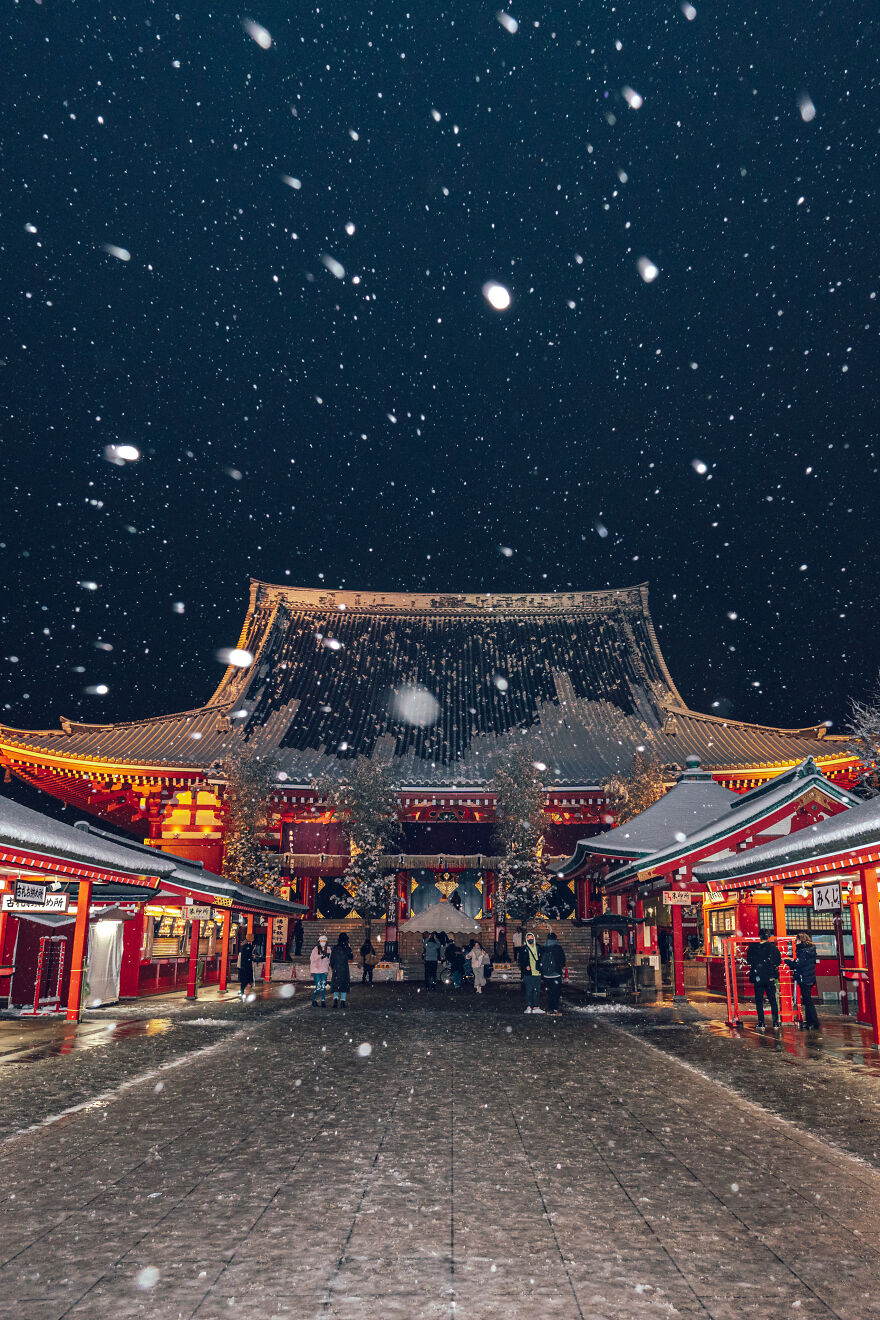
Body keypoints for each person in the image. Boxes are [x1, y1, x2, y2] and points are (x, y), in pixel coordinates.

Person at [746, 930, 781, 1030]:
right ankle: (775, 1022)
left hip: (758, 977)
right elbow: (778, 961)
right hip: (769, 977)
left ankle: (761, 1022)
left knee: (759, 1000)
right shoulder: (772, 948)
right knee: (772, 1000)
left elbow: (749, 960)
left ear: (759, 936)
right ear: (769, 937)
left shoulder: (753, 947)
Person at [786, 931, 820, 1030]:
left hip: (804, 977)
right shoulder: (809, 950)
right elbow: (802, 962)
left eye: (796, 940)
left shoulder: (803, 951)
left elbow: (797, 964)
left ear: (800, 940)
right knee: (807, 1000)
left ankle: (813, 1022)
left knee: (808, 1001)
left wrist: (787, 961)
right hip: (809, 977)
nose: (795, 942)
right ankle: (811, 1021)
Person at [539, 930, 566, 1015]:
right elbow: (563, 961)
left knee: (549, 993)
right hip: (556, 974)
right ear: (555, 939)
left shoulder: (543, 948)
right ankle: (555, 1009)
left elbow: (540, 960)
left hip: (546, 975)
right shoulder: (558, 948)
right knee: (556, 993)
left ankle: (550, 1009)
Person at [520, 932, 543, 1013]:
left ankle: (536, 1007)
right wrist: (525, 966)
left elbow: (542, 958)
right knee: (529, 990)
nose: (530, 939)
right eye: (528, 938)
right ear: (526, 939)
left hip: (537, 972)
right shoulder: (524, 949)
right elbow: (520, 961)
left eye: (531, 938)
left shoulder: (538, 947)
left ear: (534, 938)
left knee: (537, 990)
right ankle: (529, 1006)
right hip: (528, 973)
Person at [330, 932, 353, 1009]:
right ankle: (342, 1002)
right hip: (344, 969)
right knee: (344, 985)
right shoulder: (347, 948)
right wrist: (349, 948)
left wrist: (334, 967)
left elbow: (332, 959)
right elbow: (351, 957)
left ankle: (335, 1001)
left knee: (336, 985)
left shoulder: (335, 948)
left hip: (337, 969)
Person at [310, 933, 331, 1007]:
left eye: (324, 941)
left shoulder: (328, 949)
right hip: (316, 970)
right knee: (318, 986)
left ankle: (323, 1001)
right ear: (319, 942)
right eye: (321, 941)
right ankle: (314, 1000)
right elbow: (312, 958)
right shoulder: (315, 949)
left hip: (324, 969)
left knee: (323, 986)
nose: (323, 942)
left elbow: (329, 959)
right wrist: (321, 955)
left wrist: (327, 956)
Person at [237, 933, 255, 1000]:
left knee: (244, 980)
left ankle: (241, 991)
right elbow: (247, 956)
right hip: (246, 966)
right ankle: (241, 991)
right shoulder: (247, 946)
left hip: (243, 965)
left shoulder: (244, 945)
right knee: (245, 980)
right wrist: (252, 957)